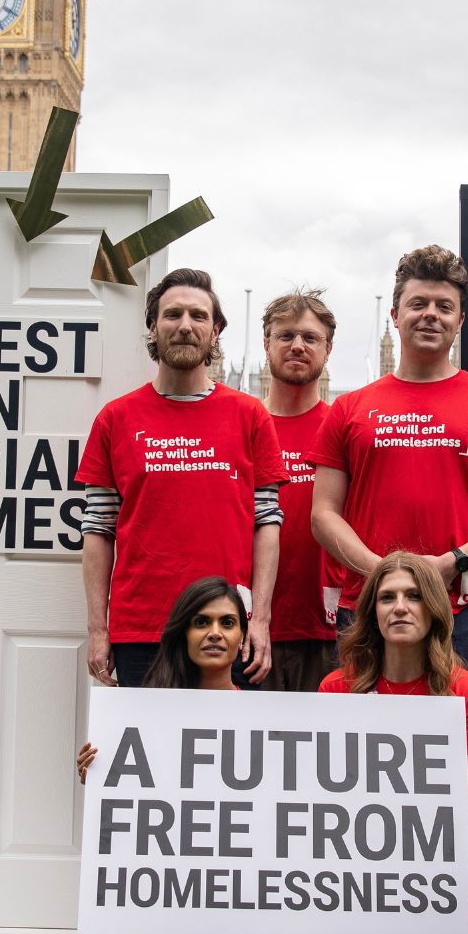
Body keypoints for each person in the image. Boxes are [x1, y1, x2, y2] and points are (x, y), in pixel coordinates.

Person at [309, 245, 468, 682]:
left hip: (460, 609)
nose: (430, 315)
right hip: (368, 607)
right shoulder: (349, 409)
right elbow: (323, 514)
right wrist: (380, 571)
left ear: (460, 321)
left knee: (456, 739)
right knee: (360, 739)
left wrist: (451, 563)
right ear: (396, 315)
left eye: (444, 306)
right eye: (418, 304)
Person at [77, 268, 287, 689]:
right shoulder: (115, 419)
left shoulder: (250, 416)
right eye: (172, 315)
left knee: (230, 754)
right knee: (147, 754)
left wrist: (259, 620)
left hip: (227, 630)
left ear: (215, 331)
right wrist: (99, 629)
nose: (185, 326)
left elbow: (267, 523)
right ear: (153, 327)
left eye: (198, 316)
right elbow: (97, 529)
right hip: (141, 632)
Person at [75, 576, 263, 934]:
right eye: (202, 622)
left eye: (227, 622)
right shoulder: (135, 713)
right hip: (158, 879)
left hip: (231, 872)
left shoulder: (268, 720)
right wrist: (95, 775)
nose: (215, 632)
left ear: (242, 638)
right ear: (183, 634)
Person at [320, 553, 468, 934]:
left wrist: (462, 891)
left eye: (414, 596)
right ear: (372, 611)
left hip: (437, 853)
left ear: (435, 608)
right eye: (387, 597)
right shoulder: (338, 690)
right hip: (359, 853)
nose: (400, 607)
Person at [259, 288, 341, 693]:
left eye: (310, 337)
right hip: (249, 629)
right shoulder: (240, 424)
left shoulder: (345, 428)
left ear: (327, 350)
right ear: (266, 344)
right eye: (285, 335)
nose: (297, 345)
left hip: (331, 632)